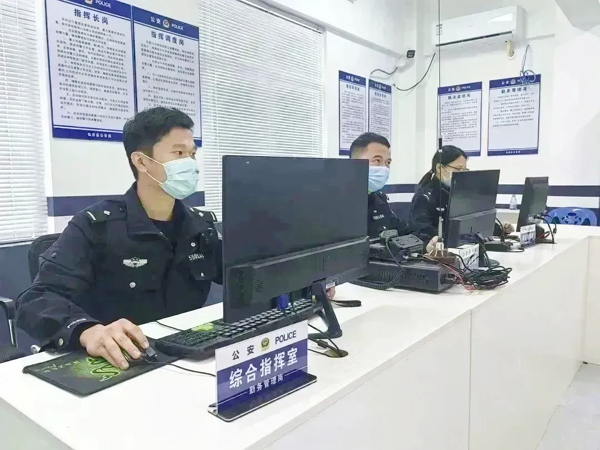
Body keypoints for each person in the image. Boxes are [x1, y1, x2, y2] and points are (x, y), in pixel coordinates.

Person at [16, 107, 222, 370]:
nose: (191, 164)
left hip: (188, 356)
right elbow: (36, 300)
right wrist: (88, 331)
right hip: (120, 362)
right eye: (179, 153)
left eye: (192, 154)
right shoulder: (96, 226)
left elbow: (243, 271)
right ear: (141, 162)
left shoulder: (200, 226)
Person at [409, 145, 513, 245]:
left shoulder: (458, 192)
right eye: (458, 169)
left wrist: (500, 229)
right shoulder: (425, 197)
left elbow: (474, 220)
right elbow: (422, 234)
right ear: (440, 168)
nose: (462, 173)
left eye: (464, 170)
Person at [350, 132, 413, 239]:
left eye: (388, 162)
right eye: (377, 160)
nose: (384, 168)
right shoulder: (339, 202)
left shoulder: (379, 199)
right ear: (355, 163)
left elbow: (401, 230)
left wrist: (426, 243)